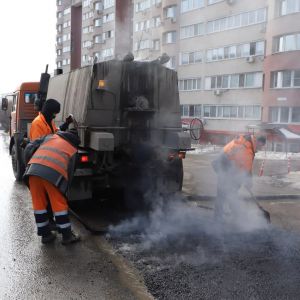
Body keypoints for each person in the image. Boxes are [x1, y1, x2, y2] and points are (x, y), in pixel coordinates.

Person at [23, 129, 81, 245]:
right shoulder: (73, 150)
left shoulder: (50, 137)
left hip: (32, 172)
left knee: (39, 205)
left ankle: (46, 235)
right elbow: (69, 174)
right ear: (76, 141)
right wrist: (64, 192)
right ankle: (67, 236)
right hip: (52, 175)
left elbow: (29, 148)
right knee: (59, 204)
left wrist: (27, 166)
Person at [29, 98, 73, 230]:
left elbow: (55, 134)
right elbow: (39, 144)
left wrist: (66, 125)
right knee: (52, 200)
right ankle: (64, 232)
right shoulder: (37, 123)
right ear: (49, 111)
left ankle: (47, 230)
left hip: (42, 167)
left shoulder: (49, 121)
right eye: (55, 113)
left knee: (43, 202)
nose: (55, 116)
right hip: (42, 164)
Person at [212, 134, 266, 220]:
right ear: (258, 142)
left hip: (224, 163)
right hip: (223, 165)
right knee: (226, 191)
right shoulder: (247, 148)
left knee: (232, 189)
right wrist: (248, 181)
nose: (261, 149)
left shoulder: (247, 141)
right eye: (261, 146)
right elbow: (246, 169)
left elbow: (241, 166)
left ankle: (233, 212)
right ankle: (220, 218)